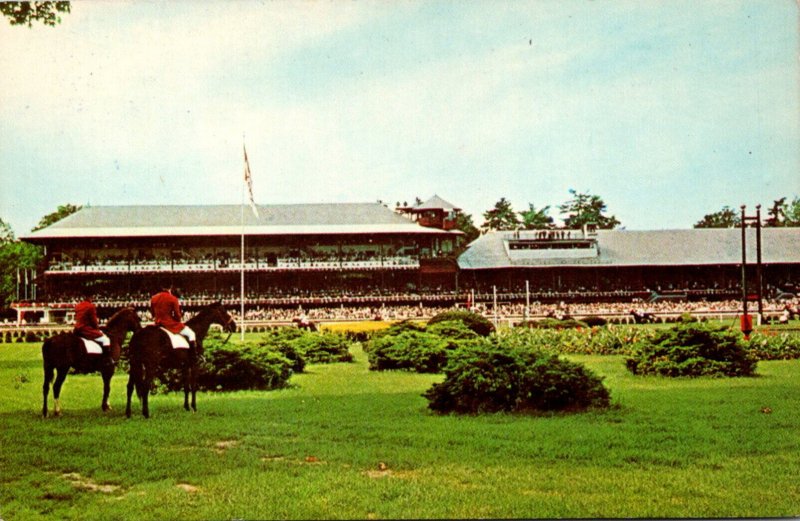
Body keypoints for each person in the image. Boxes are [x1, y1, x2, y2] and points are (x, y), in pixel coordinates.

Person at [150, 286, 197, 356]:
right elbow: (177, 315)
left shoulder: (153, 298)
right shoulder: (173, 298)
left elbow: (153, 314)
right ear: (170, 289)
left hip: (158, 323)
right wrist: (177, 319)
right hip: (169, 324)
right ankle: (193, 357)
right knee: (191, 334)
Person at [74, 290, 113, 368]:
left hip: (77, 330)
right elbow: (94, 322)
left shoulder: (78, 306)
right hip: (86, 330)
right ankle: (106, 361)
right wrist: (97, 329)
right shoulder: (91, 306)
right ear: (91, 297)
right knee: (106, 340)